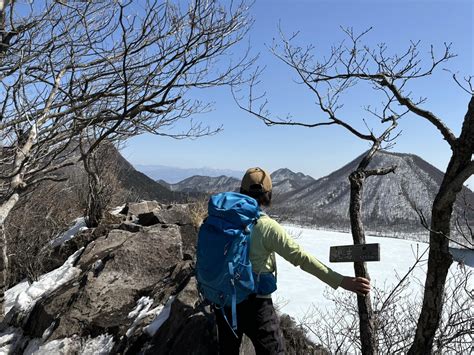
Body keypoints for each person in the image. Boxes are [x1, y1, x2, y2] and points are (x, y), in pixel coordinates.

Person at [214, 167, 371, 355]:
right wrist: (341, 281)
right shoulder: (267, 227)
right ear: (268, 194)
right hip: (255, 303)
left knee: (227, 350)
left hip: (223, 298)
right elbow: (301, 258)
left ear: (241, 192)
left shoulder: (221, 218)